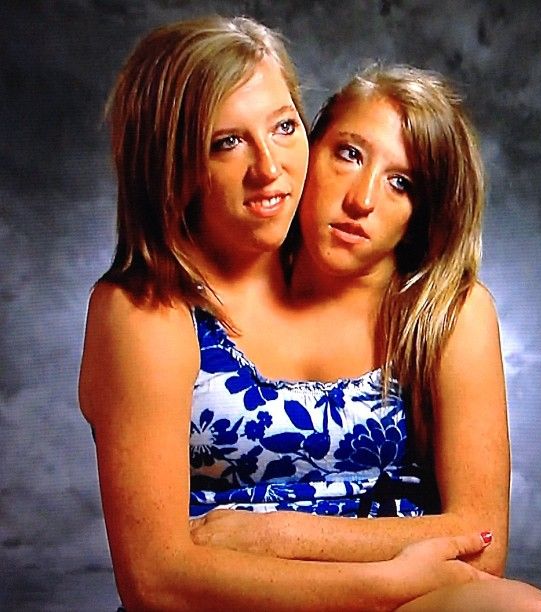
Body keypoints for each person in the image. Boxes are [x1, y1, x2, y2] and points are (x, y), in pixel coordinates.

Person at [80, 17, 501, 611]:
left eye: (283, 127)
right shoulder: (148, 312)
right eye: (227, 142)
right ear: (171, 165)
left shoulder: (431, 308)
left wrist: (274, 534)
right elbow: (156, 582)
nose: (270, 169)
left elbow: (479, 540)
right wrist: (385, 583)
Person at [186, 64, 541, 610]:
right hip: (227, 593)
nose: (362, 200)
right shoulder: (187, 302)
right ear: (308, 150)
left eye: (401, 183)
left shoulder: (446, 315)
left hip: (401, 598)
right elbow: (156, 564)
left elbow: (480, 542)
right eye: (349, 154)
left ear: (423, 212)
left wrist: (275, 533)